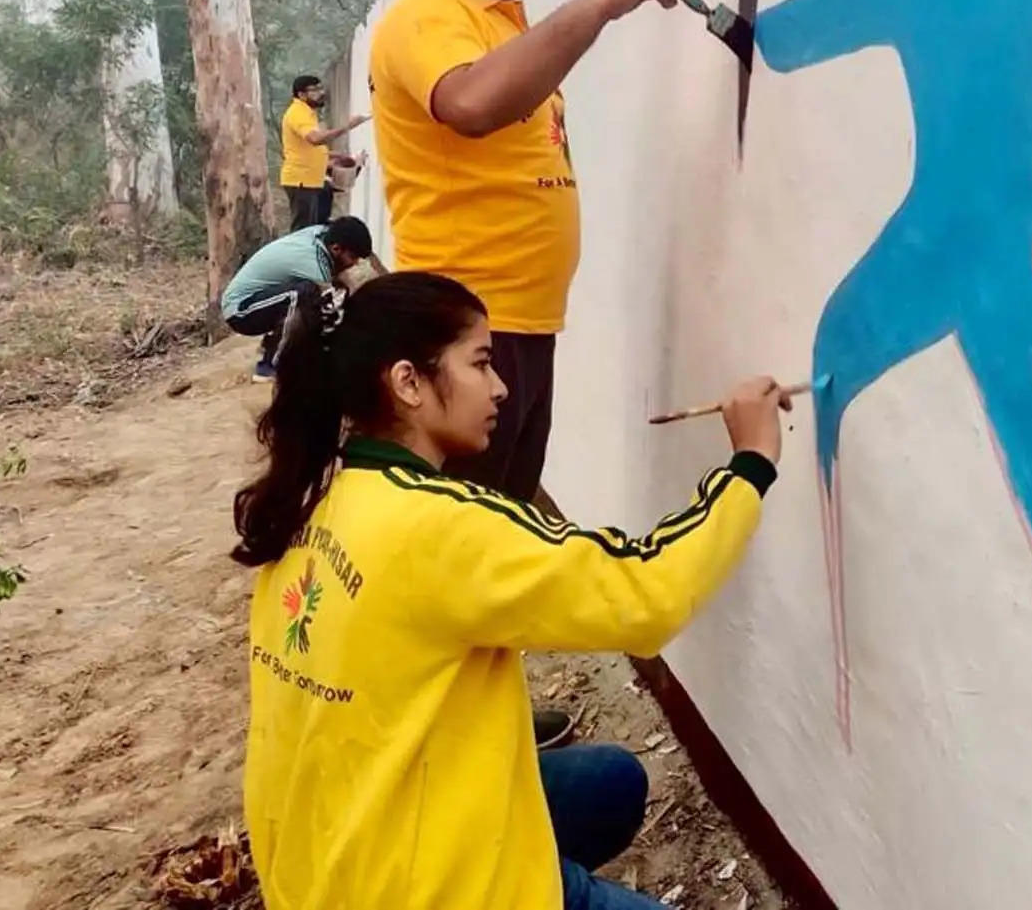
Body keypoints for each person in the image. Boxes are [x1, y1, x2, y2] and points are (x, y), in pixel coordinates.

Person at [234, 270, 788, 910]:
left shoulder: (316, 498)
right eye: (482, 363)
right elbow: (647, 593)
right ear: (409, 381)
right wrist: (751, 462)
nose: (500, 388)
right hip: (419, 891)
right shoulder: (440, 526)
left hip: (325, 866)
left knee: (610, 782)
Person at [366, 0, 684, 505]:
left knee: (498, 510)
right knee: (466, 540)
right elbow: (472, 103)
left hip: (519, 323)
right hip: (467, 324)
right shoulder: (430, 15)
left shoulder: (499, 25)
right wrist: (601, 2)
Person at [219, 216, 384, 380]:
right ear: (336, 249)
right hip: (241, 311)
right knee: (305, 296)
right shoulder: (314, 264)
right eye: (353, 257)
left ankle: (274, 345)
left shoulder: (322, 234)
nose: (354, 264)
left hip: (260, 299)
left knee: (313, 299)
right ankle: (271, 365)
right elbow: (332, 315)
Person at [280, 75, 369, 231]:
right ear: (301, 95)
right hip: (301, 181)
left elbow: (308, 148)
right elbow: (315, 139)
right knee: (303, 232)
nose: (321, 93)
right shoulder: (298, 113)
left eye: (320, 88)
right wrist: (348, 126)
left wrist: (336, 156)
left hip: (311, 180)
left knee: (314, 228)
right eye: (314, 90)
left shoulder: (308, 113)